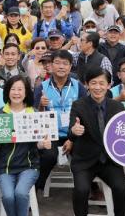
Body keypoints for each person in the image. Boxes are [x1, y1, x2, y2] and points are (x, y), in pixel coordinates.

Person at [68, 68, 125, 216]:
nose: (97, 87)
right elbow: (73, 128)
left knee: (122, 189)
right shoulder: (78, 105)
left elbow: (124, 137)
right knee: (81, 190)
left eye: (102, 83)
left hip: (109, 161)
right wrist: (74, 131)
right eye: (93, 83)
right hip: (84, 161)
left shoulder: (117, 107)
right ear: (86, 85)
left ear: (109, 85)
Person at [0, 76, 48, 216]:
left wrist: (43, 144)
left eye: (20, 89)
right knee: (7, 196)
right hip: (5, 166)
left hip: (29, 166)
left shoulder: (34, 114)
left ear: (26, 92)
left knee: (21, 193)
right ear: (7, 92)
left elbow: (38, 143)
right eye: (13, 89)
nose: (16, 93)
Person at [34, 50, 87, 191]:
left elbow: (84, 113)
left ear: (70, 67)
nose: (61, 67)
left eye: (65, 63)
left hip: (73, 133)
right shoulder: (42, 87)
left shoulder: (78, 86)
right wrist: (40, 105)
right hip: (51, 135)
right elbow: (34, 116)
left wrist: (72, 138)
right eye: (57, 63)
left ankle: (88, 187)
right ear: (51, 65)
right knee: (49, 155)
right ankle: (36, 187)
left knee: (84, 154)